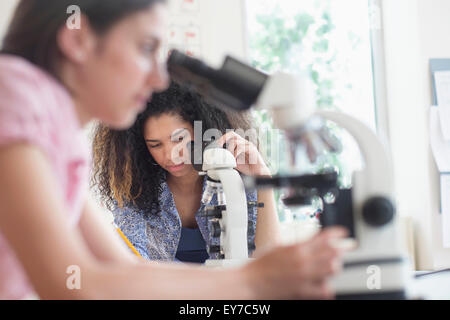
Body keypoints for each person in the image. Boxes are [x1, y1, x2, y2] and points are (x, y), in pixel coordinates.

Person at [0, 0, 347, 300]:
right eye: (147, 48)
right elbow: (73, 287)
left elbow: (120, 271)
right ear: (78, 39)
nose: (159, 79)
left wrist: (261, 279)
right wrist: (255, 279)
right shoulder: (13, 95)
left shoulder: (61, 135)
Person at [91, 81, 281, 263]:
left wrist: (262, 176)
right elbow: (135, 266)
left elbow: (268, 261)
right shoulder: (134, 190)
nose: (170, 155)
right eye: (155, 145)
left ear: (202, 130)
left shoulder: (233, 178)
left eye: (179, 139)